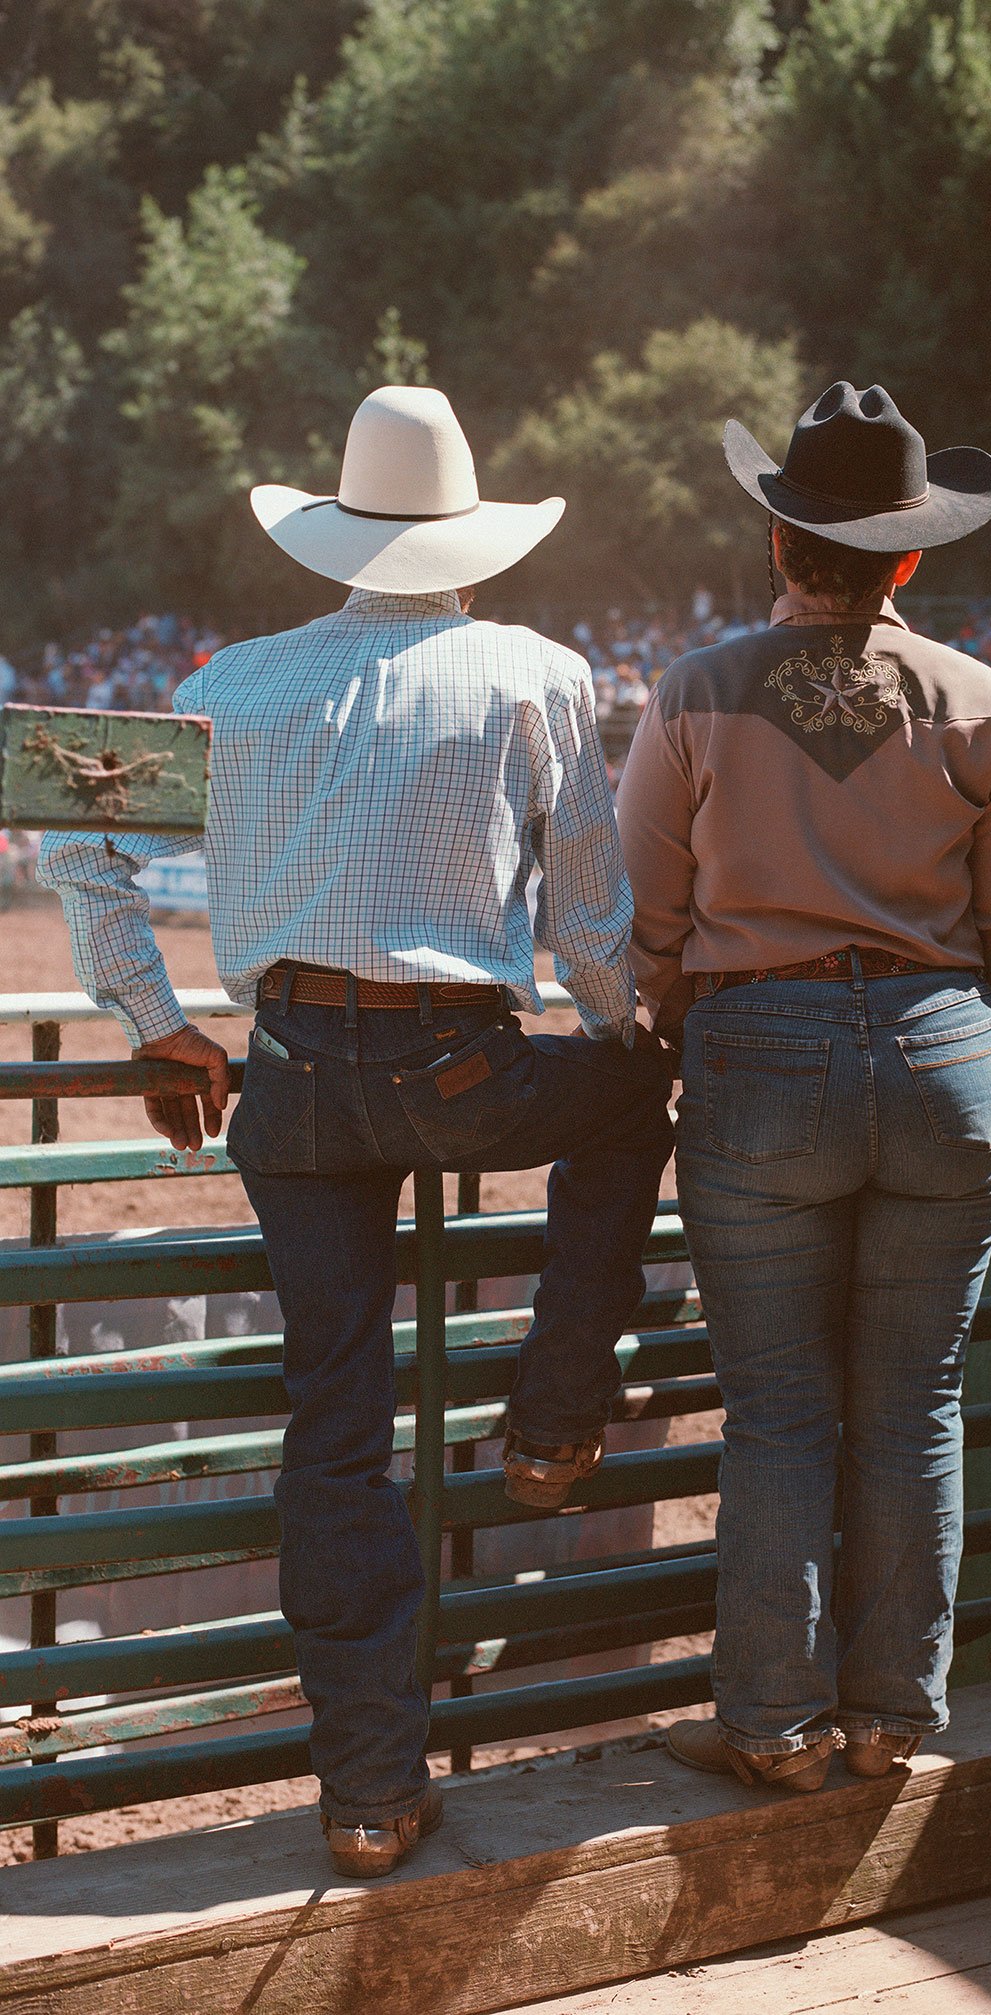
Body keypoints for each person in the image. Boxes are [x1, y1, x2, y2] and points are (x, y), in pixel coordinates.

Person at [39, 386, 674, 1876]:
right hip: (460, 1067)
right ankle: (556, 1404)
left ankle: (372, 1792)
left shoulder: (236, 680)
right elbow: (590, 925)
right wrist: (628, 1018)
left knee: (336, 1425)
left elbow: (76, 833)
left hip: (288, 1078)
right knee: (631, 1089)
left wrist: (155, 1020)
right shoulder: (533, 671)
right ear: (469, 539)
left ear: (337, 532)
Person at [618, 381, 991, 1790]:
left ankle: (770, 1719)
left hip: (762, 1053)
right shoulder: (981, 699)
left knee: (779, 1408)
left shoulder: (695, 691)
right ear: (912, 556)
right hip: (946, 1056)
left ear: (777, 545)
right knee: (916, 1403)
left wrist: (681, 1026)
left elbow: (652, 911)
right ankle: (890, 1716)